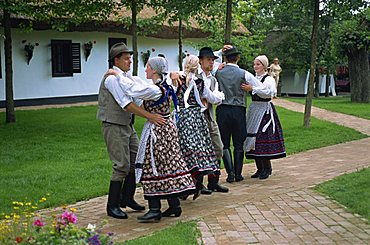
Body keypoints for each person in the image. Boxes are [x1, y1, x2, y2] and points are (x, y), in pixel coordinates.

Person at [106, 56, 196, 222]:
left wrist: (118, 76)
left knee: (151, 165)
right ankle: (174, 205)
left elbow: (134, 90)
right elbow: (138, 84)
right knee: (166, 165)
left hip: (157, 130)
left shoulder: (155, 90)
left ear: (154, 69)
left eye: (147, 66)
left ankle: (155, 208)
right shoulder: (164, 85)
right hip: (166, 129)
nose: (145, 69)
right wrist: (126, 76)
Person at [96, 42, 165, 219]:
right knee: (121, 165)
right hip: (113, 124)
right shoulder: (111, 79)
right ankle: (112, 206)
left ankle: (127, 198)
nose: (130, 61)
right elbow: (126, 104)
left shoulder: (125, 77)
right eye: (126, 58)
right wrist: (149, 116)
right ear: (116, 60)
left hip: (127, 125)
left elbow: (138, 91)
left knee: (136, 161)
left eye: (130, 58)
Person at [175, 55, 225, 200]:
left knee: (185, 152)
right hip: (196, 119)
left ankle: (192, 185)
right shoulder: (198, 81)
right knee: (197, 151)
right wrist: (220, 96)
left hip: (182, 119)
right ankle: (193, 184)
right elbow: (213, 98)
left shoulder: (178, 79)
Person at [215, 46, 267, 183]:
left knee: (224, 143)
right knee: (239, 143)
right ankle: (238, 174)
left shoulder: (218, 71)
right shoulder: (245, 74)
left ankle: (230, 173)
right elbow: (261, 88)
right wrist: (252, 89)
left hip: (222, 109)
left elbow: (203, 63)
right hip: (238, 110)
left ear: (225, 58)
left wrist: (220, 54)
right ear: (238, 58)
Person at [241, 55, 286, 179]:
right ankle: (259, 168)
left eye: (258, 64)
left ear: (264, 66)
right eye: (254, 64)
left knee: (261, 137)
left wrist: (253, 88)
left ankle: (267, 168)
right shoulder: (253, 78)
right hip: (254, 109)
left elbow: (268, 93)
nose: (255, 66)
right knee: (252, 137)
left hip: (264, 110)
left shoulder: (268, 79)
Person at [197, 47, 229, 193]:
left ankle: (213, 181)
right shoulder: (194, 76)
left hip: (209, 116)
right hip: (196, 119)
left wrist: (210, 97)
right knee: (198, 151)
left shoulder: (213, 79)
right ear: (200, 61)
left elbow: (216, 99)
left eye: (212, 60)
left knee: (218, 147)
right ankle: (198, 184)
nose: (211, 62)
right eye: (208, 60)